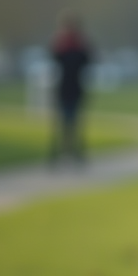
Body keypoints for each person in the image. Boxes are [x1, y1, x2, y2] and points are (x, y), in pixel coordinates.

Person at [49, 13, 94, 166]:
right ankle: (63, 154)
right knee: (65, 123)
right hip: (67, 88)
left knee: (72, 123)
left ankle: (72, 154)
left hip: (72, 88)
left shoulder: (76, 46)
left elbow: (87, 60)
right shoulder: (65, 45)